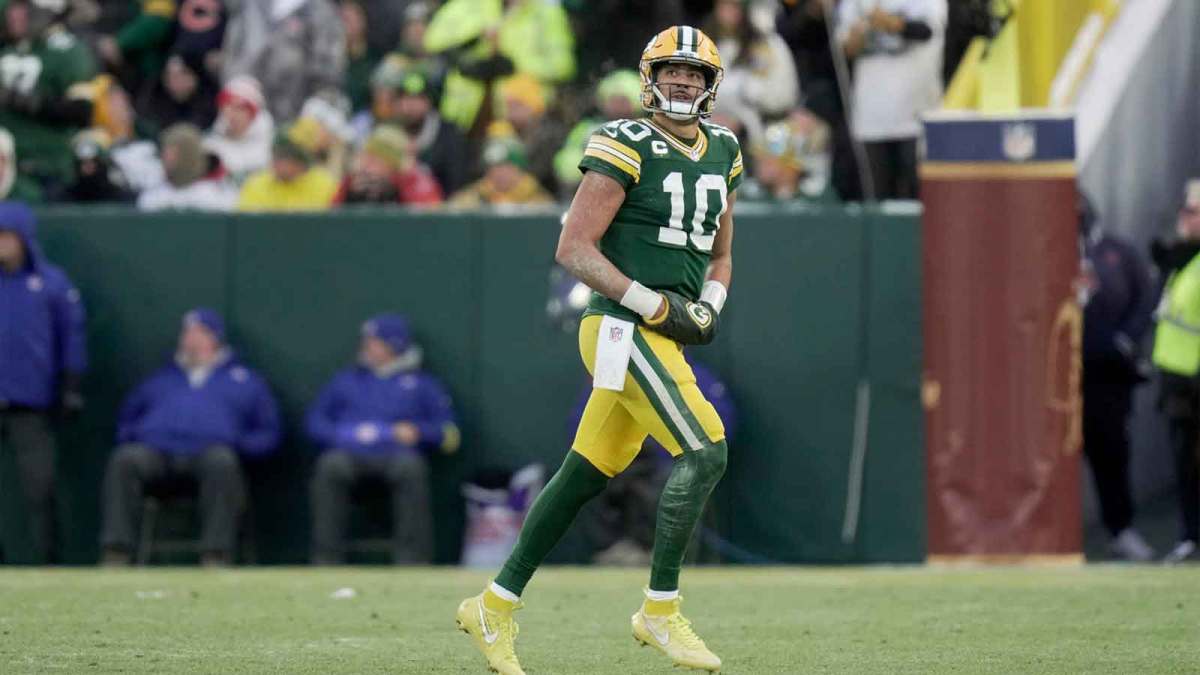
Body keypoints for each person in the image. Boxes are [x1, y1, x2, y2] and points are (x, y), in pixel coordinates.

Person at [456, 25, 741, 675]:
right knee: (706, 449)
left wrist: (709, 305)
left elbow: (721, 253)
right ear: (649, 79)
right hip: (620, 324)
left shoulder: (724, 147)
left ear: (710, 85)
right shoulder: (623, 141)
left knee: (585, 471)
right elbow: (574, 248)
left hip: (662, 331)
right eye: (671, 71)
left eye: (694, 74)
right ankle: (659, 611)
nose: (682, 82)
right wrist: (651, 304)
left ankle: (492, 604)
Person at [99, 308, 281, 566]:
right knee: (125, 459)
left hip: (209, 457)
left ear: (216, 338)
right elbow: (127, 418)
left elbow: (268, 432)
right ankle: (117, 552)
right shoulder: (160, 379)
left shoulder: (246, 381)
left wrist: (240, 446)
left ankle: (216, 554)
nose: (191, 339)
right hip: (158, 455)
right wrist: (135, 435)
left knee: (222, 462)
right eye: (187, 333)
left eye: (199, 333)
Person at [306, 313, 460, 564]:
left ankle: (413, 560)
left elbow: (450, 434)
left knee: (410, 468)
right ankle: (326, 558)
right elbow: (314, 423)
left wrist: (418, 432)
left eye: (374, 342)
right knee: (329, 466)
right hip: (349, 455)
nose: (367, 347)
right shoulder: (345, 380)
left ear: (394, 345)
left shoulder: (423, 384)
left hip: (398, 456)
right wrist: (340, 434)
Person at [0, 201, 86, 563]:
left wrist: (71, 386)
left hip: (31, 403)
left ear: (23, 239)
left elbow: (72, 336)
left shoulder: (51, 283)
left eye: (6, 236)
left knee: (40, 487)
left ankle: (48, 561)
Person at [1079, 194, 1154, 561]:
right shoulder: (1044, 248)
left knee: (1111, 452)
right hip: (1056, 376)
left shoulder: (1116, 252)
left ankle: (1120, 529)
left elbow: (1146, 296)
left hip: (1107, 376)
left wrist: (1125, 340)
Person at [837, 0, 945, 200]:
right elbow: (845, 48)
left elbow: (928, 31)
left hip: (916, 113)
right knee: (877, 196)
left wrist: (889, 22)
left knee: (917, 196)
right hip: (871, 116)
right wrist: (859, 34)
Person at [1150, 179, 1200, 565]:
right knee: (1185, 464)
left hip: (1195, 378)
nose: (1185, 217)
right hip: (1180, 382)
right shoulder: (1184, 261)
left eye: (1193, 211)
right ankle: (1190, 537)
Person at [0, 0, 97, 192]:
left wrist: (26, 101)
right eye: (12, 7)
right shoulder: (10, 47)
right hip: (6, 168)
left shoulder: (68, 50)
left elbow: (82, 111)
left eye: (23, 7)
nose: (13, 15)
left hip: (45, 168)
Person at [220, 0, 345, 123]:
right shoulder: (249, 6)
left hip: (294, 118)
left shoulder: (322, 11)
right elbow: (234, 54)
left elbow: (327, 74)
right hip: (245, 117)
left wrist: (314, 111)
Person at [366, 57, 470, 194]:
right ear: (396, 103)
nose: (411, 105)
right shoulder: (385, 134)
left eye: (418, 99)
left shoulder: (449, 135)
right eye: (405, 98)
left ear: (429, 102)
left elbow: (456, 185)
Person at [137, 122, 237, 211]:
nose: (165, 158)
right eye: (165, 152)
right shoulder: (154, 194)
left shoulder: (215, 195)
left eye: (172, 153)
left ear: (188, 155)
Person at [333, 125, 443, 206]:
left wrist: (393, 192)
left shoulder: (415, 182)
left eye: (373, 160)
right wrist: (350, 195)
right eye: (365, 157)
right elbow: (331, 217)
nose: (365, 165)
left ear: (392, 164)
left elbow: (427, 221)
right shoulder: (353, 181)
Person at [236, 126, 339, 211]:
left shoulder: (326, 185)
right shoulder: (256, 185)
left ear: (301, 161)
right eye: (275, 156)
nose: (277, 163)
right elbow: (244, 221)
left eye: (284, 157)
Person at [448, 134, 552, 208]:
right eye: (494, 167)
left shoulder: (538, 200)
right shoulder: (474, 197)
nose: (499, 173)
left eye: (506, 166)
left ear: (519, 169)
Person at [204, 76, 274, 184]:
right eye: (227, 106)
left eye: (240, 108)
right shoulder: (210, 144)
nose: (231, 114)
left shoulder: (270, 145)